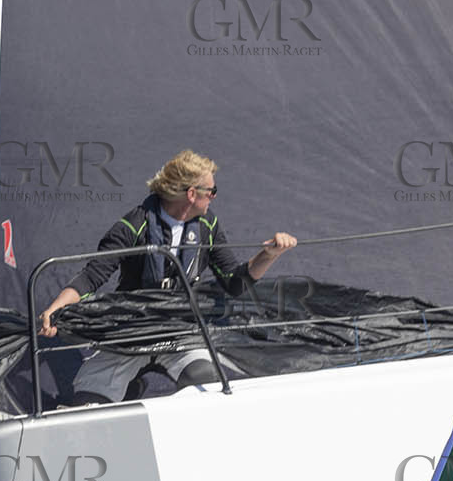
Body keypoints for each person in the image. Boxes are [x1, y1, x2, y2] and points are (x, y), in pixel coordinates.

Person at [38, 149, 297, 403]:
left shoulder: (208, 226)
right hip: (129, 334)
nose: (214, 197)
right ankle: (129, 389)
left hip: (180, 332)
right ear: (192, 194)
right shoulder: (133, 225)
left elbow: (234, 282)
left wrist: (269, 255)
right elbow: (92, 276)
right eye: (212, 191)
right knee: (88, 403)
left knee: (208, 387)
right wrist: (56, 308)